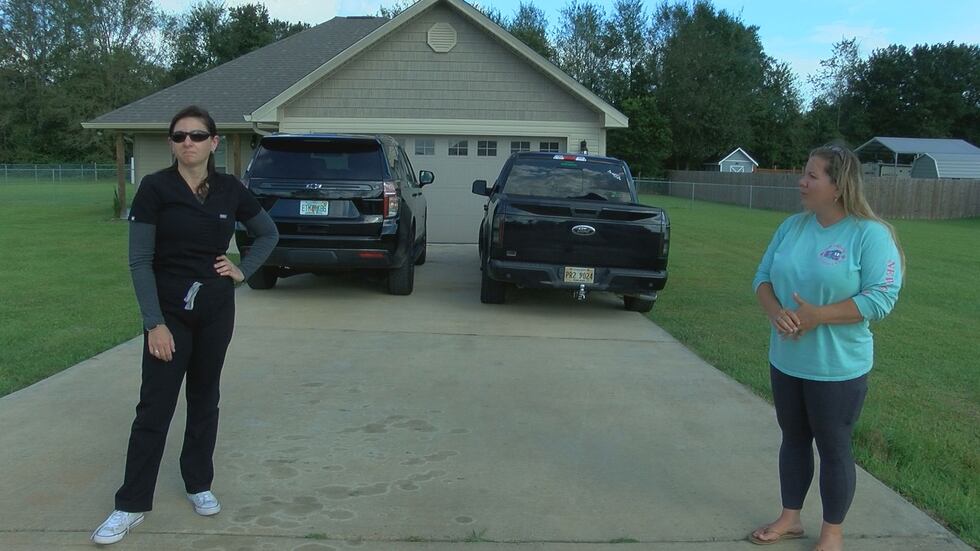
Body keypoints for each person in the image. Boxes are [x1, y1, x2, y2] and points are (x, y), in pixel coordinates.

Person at [92, 106, 278, 545]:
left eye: (197, 135)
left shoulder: (231, 189)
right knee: (154, 407)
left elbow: (267, 233)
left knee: (204, 398)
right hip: (169, 313)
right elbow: (139, 261)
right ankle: (130, 504)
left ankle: (198, 483)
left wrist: (242, 270)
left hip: (215, 309)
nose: (188, 142)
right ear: (172, 143)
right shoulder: (155, 189)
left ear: (214, 142)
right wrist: (153, 323)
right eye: (179, 136)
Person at [749, 145, 903, 551]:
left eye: (812, 175)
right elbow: (762, 278)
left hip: (837, 368)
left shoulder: (869, 235)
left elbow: (881, 298)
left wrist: (818, 316)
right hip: (786, 360)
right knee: (793, 439)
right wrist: (776, 313)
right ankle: (790, 517)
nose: (801, 181)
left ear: (838, 187)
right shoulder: (792, 227)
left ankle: (831, 533)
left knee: (834, 448)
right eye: (804, 173)